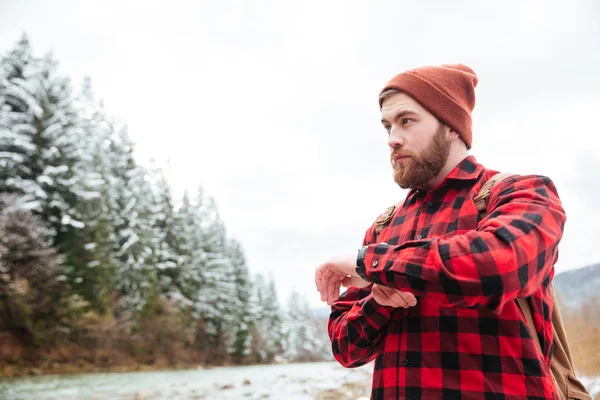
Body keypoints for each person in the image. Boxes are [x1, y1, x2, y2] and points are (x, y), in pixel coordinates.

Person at [314, 64, 566, 400]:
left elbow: (499, 266)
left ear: (450, 124)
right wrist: (379, 301)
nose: (392, 139)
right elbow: (346, 349)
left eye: (406, 121)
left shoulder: (522, 192)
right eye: (387, 126)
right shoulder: (383, 227)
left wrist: (372, 264)